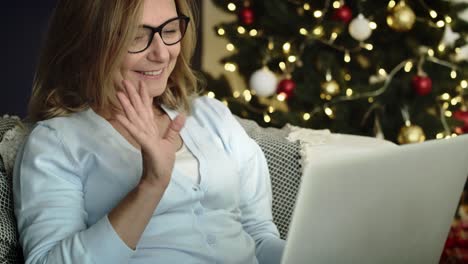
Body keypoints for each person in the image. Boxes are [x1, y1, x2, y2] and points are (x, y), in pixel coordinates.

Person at [13, 0, 285, 263]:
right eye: (137, 36)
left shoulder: (212, 116)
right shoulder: (56, 142)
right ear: (89, 43)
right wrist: (151, 185)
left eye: (169, 31)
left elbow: (259, 235)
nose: (161, 53)